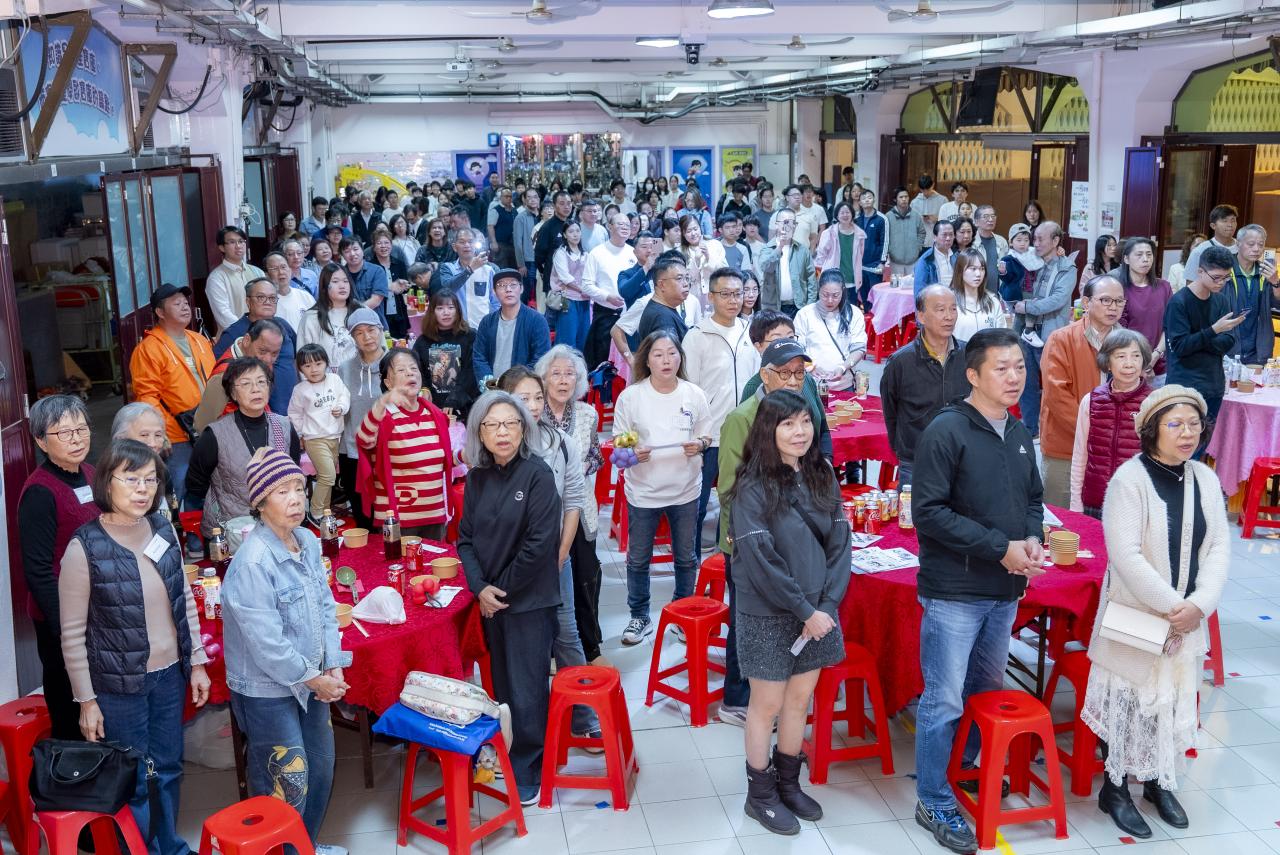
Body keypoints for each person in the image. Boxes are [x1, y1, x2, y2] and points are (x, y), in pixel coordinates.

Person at [910, 327, 1045, 855]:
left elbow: (1032, 497)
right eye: (1001, 368)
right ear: (973, 375)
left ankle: (961, 768)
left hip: (1004, 587)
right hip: (955, 590)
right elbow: (929, 513)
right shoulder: (947, 430)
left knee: (983, 691)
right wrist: (998, 547)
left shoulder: (1017, 429)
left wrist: (1030, 538)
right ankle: (932, 798)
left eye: (1019, 367)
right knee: (943, 699)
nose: (1014, 378)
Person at [1083, 386, 1229, 840]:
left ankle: (1157, 781)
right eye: (1175, 424)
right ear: (1151, 430)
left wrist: (1199, 605)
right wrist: (1173, 607)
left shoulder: (1204, 478)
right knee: (1127, 698)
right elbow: (1125, 555)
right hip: (1135, 611)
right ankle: (1114, 789)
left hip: (1186, 616)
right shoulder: (1129, 480)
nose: (1187, 434)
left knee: (1170, 696)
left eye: (1194, 425)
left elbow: (1219, 547)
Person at [59, 439, 209, 855]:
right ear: (107, 482)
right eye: (131, 479)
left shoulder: (162, 529)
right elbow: (71, 634)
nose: (143, 489)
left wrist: (197, 661)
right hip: (117, 686)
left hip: (169, 676)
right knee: (136, 778)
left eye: (150, 480)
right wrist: (86, 701)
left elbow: (184, 598)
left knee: (169, 767)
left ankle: (170, 846)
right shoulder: (84, 547)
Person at [729, 389, 849, 836]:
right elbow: (761, 560)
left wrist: (826, 606)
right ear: (769, 429)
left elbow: (840, 543)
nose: (800, 432)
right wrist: (805, 609)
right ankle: (759, 795)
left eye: (805, 422)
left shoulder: (822, 473)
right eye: (788, 424)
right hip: (769, 612)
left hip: (817, 612)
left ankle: (788, 783)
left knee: (800, 701)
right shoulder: (752, 485)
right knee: (766, 705)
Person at [221, 449, 351, 855]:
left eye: (299, 487)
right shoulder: (253, 562)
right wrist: (315, 679)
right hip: (267, 690)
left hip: (311, 677)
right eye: (282, 491)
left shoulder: (308, 541)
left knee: (321, 765)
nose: (296, 498)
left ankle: (304, 847)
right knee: (286, 781)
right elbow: (267, 644)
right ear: (260, 503)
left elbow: (326, 606)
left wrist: (333, 663)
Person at [458, 391, 562, 805]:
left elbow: (539, 546)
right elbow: (465, 540)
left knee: (527, 688)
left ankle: (530, 766)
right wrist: (479, 587)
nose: (502, 432)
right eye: (492, 425)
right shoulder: (477, 478)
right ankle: (506, 751)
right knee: (500, 685)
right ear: (480, 433)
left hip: (528, 600)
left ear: (523, 428)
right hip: (491, 600)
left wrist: (496, 591)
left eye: (510, 423)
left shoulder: (538, 475)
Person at [718, 336, 824, 729]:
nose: (795, 380)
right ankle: (736, 697)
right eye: (785, 373)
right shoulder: (742, 417)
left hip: (790, 537)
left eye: (800, 373)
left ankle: (778, 695)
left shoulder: (803, 408)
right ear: (765, 375)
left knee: (784, 617)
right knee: (748, 620)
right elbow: (728, 487)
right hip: (748, 540)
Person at [497, 368, 602, 745]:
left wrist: (560, 553)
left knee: (567, 633)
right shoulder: (498, 444)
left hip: (554, 559)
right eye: (523, 398)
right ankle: (526, 722)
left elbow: (573, 500)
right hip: (509, 563)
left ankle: (582, 713)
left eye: (538, 397)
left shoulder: (561, 443)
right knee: (523, 641)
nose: (534, 405)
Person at [612, 330, 712, 646]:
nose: (666, 360)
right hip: (643, 492)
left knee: (686, 558)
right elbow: (618, 447)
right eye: (658, 354)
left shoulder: (694, 394)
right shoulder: (632, 397)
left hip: (686, 490)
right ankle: (639, 616)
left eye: (671, 353)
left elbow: (707, 435)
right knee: (638, 559)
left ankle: (682, 613)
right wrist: (633, 453)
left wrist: (700, 444)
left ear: (680, 357)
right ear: (647, 360)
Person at [18, 396, 101, 739]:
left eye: (81, 429)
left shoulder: (91, 474)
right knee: (70, 702)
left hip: (97, 608)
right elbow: (38, 570)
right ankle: (74, 766)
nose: (76, 439)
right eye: (64, 433)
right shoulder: (39, 492)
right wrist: (67, 627)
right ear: (41, 441)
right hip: (62, 617)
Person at [682, 267, 761, 552]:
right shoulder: (697, 336)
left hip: (745, 434)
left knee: (738, 503)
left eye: (738, 293)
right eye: (725, 294)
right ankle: (691, 563)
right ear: (711, 296)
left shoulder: (751, 332)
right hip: (709, 436)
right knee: (698, 504)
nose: (733, 300)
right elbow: (688, 390)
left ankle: (727, 559)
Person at [536, 345, 606, 664]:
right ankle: (553, 650)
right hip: (543, 512)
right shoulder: (533, 414)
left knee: (585, 577)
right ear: (544, 379)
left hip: (581, 507)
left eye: (570, 374)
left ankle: (590, 648)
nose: (563, 380)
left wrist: (577, 469)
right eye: (556, 374)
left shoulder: (588, 414)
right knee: (549, 579)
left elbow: (596, 456)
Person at [186, 356, 300, 538]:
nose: (256, 389)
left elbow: (294, 474)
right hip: (233, 528)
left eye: (261, 382)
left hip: (279, 524)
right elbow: (196, 485)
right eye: (246, 384)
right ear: (232, 393)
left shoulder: (284, 427)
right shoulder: (215, 434)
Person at [1039, 274, 1126, 507]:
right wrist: (1097, 432)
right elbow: (1057, 396)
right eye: (1106, 300)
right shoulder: (1062, 339)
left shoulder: (1127, 342)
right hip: (1066, 446)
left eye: (1119, 301)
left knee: (1104, 516)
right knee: (1062, 516)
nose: (1113, 307)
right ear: (1086, 303)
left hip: (1112, 450)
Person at [129, 282, 216, 501]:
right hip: (176, 434)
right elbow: (147, 396)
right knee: (182, 489)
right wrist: (159, 433)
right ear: (160, 312)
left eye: (185, 302)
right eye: (176, 304)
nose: (185, 307)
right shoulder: (148, 348)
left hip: (209, 428)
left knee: (214, 487)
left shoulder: (199, 340)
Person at [357, 347, 453, 539]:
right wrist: (382, 402)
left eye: (414, 368)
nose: (410, 373)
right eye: (401, 370)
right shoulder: (383, 417)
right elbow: (363, 440)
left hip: (434, 515)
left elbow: (442, 461)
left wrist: (463, 456)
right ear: (388, 382)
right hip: (398, 520)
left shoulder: (435, 415)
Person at [880, 286, 970, 488]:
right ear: (921, 316)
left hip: (962, 458)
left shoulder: (968, 355)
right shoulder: (901, 362)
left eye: (953, 309)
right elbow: (890, 412)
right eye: (940, 309)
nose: (949, 316)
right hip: (916, 461)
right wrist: (904, 449)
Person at [1070, 329, 1154, 517]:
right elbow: (1080, 455)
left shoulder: (1154, 403)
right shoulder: (1091, 401)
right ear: (1107, 363)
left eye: (1136, 356)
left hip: (1136, 507)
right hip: (1094, 503)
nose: (1129, 363)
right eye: (1121, 356)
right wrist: (1076, 504)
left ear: (1143, 361)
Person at [1164, 245, 1245, 425]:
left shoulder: (1221, 300)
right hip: (1184, 387)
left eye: (1226, 277)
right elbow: (1180, 347)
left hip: (1214, 385)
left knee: (1205, 439)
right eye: (1216, 277)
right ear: (1200, 272)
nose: (1221, 282)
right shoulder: (1179, 302)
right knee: (1182, 439)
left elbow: (1229, 340)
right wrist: (1213, 330)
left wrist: (1200, 340)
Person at [1013, 221, 1078, 439]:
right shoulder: (1030, 261)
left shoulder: (1067, 268)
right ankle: (1030, 429)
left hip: (1050, 333)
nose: (1036, 243)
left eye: (1041, 239)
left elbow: (1058, 300)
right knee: (1026, 383)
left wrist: (1028, 307)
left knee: (1053, 385)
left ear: (1056, 241)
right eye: (1035, 239)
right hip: (1025, 331)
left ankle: (1056, 430)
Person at [213, 278, 298, 418]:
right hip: (256, 416)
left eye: (272, 298)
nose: (267, 302)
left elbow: (296, 358)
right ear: (248, 302)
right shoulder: (232, 334)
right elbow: (218, 376)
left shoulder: (283, 326)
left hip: (294, 411)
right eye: (261, 297)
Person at [336, 308, 387, 529]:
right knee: (362, 516)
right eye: (359, 333)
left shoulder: (395, 363)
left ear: (381, 330)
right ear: (352, 338)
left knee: (387, 516)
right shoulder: (345, 369)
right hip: (352, 451)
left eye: (371, 329)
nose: (367, 337)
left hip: (387, 451)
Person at [288, 344, 350, 525]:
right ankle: (315, 512)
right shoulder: (300, 389)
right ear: (300, 369)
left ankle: (325, 514)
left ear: (326, 363)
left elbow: (345, 396)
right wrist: (300, 434)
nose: (313, 369)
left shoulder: (334, 380)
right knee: (328, 476)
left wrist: (342, 408)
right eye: (307, 366)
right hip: (314, 439)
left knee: (327, 478)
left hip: (336, 437)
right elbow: (294, 414)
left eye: (318, 363)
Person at [196, 318, 286, 433]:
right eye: (262, 351)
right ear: (247, 340)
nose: (268, 360)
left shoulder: (260, 362)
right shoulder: (222, 375)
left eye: (275, 353)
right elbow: (203, 425)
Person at [473, 269, 551, 388]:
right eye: (501, 285)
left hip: (524, 389)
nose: (508, 289)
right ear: (494, 291)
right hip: (493, 389)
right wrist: (489, 384)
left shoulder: (537, 321)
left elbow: (541, 358)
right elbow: (479, 357)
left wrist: (514, 383)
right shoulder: (487, 322)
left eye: (513, 284)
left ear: (521, 288)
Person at [792, 269, 867, 391]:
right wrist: (810, 367)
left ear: (843, 291)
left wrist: (843, 367)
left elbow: (859, 348)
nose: (830, 300)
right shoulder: (805, 314)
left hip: (844, 383)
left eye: (835, 295)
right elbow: (796, 348)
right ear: (819, 290)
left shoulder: (853, 313)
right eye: (825, 295)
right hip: (812, 384)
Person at [412, 289, 479, 417]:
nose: (446, 312)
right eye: (440, 308)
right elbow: (417, 369)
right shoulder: (423, 341)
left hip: (465, 406)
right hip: (433, 408)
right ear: (432, 312)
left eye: (451, 307)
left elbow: (471, 372)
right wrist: (424, 389)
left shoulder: (470, 336)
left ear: (458, 310)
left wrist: (455, 399)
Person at [1116, 237, 1173, 379]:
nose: (1145, 259)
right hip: (1127, 365)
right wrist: (1140, 363)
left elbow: (1170, 325)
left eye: (1149, 254)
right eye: (1139, 254)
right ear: (1126, 259)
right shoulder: (1118, 288)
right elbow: (1118, 330)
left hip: (1160, 363)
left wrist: (1155, 355)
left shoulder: (1164, 287)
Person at [1226, 224, 1280, 365]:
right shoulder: (1224, 269)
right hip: (1227, 347)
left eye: (1261, 245)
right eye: (1251, 244)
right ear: (1238, 243)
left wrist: (1275, 282)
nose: (1256, 249)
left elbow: (1277, 304)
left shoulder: (1266, 272)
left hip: (1258, 350)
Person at [298, 263, 367, 369]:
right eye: (335, 281)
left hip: (361, 375)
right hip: (326, 377)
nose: (342, 286)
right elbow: (303, 358)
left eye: (345, 281)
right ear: (324, 287)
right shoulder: (311, 317)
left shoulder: (362, 311)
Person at [431, 228, 501, 325]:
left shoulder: (488, 270)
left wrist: (492, 322)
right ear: (454, 247)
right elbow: (448, 289)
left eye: (470, 242)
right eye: (462, 242)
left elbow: (496, 301)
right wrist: (470, 270)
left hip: (482, 325)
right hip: (457, 326)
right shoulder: (448, 268)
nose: (467, 245)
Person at [206, 226, 266, 334]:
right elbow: (223, 314)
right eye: (232, 242)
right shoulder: (216, 278)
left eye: (241, 241)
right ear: (222, 247)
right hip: (234, 338)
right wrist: (250, 332)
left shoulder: (258, 272)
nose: (238, 246)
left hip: (263, 333)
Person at [758, 208, 816, 316]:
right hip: (774, 308)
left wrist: (809, 306)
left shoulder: (803, 250)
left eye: (792, 222)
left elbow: (811, 279)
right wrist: (780, 246)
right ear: (777, 225)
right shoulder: (767, 248)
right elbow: (766, 268)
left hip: (798, 306)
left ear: (795, 226)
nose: (789, 226)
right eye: (785, 222)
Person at [550, 220, 591, 352]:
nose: (575, 234)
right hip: (566, 299)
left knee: (583, 336)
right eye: (571, 231)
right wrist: (583, 289)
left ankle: (579, 364)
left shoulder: (585, 254)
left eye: (578, 231)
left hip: (584, 300)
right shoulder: (560, 253)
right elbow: (565, 278)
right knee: (567, 336)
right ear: (564, 235)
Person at [636, 254, 697, 342]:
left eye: (687, 278)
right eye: (679, 278)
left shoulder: (662, 309)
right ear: (662, 284)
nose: (686, 284)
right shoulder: (663, 319)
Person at [949, 249, 1006, 343]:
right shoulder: (949, 302)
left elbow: (1002, 336)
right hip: (959, 352)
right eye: (973, 269)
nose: (978, 274)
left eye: (982, 269)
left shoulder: (992, 301)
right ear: (960, 270)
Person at [813, 201, 866, 299]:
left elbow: (861, 255)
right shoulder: (829, 233)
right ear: (837, 215)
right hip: (832, 279)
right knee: (833, 306)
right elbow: (821, 254)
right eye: (842, 212)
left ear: (852, 214)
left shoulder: (860, 234)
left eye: (847, 212)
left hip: (852, 278)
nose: (845, 215)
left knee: (851, 306)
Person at [680, 212, 728, 312]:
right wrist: (696, 260)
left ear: (700, 228)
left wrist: (708, 257)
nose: (693, 233)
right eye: (688, 231)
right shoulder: (680, 251)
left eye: (695, 229)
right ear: (683, 234)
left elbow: (725, 271)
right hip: (692, 297)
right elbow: (686, 279)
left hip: (715, 294)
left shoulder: (715, 244)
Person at [367, 228, 411, 338]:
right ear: (374, 247)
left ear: (391, 245)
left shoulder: (399, 264)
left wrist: (404, 285)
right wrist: (390, 287)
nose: (383, 246)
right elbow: (369, 290)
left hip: (399, 313)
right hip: (380, 314)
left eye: (386, 243)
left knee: (401, 342)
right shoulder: (370, 267)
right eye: (379, 243)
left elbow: (406, 290)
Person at [340, 237, 390, 328]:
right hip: (349, 326)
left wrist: (354, 313)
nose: (352, 254)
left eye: (355, 249)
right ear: (342, 255)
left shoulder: (377, 271)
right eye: (347, 251)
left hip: (375, 325)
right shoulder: (340, 274)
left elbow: (376, 300)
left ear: (362, 251)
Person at [1182, 204, 1238, 284]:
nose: (1230, 225)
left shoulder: (1243, 247)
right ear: (1213, 226)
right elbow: (1190, 283)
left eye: (1233, 220)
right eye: (1224, 221)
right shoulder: (1201, 250)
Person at [265, 250, 316, 331]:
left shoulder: (305, 296)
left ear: (290, 270)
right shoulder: (265, 302)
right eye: (275, 269)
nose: (281, 272)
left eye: (283, 267)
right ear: (267, 275)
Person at [854, 190, 887, 309]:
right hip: (860, 266)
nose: (867, 200)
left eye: (869, 197)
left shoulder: (881, 219)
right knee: (864, 299)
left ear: (874, 200)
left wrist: (882, 262)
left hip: (875, 266)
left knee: (876, 299)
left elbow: (885, 241)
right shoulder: (857, 220)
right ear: (860, 202)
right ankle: (868, 319)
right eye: (863, 198)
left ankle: (877, 320)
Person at [885, 186, 927, 276]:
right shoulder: (888, 216)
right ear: (895, 199)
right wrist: (889, 250)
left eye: (906, 197)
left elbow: (922, 232)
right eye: (901, 197)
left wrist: (918, 248)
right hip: (895, 260)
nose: (904, 199)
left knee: (911, 284)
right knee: (896, 284)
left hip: (913, 260)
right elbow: (884, 236)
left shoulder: (916, 216)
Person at [913, 220, 956, 295]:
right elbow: (919, 293)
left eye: (951, 235)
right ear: (935, 237)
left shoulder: (957, 256)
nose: (948, 238)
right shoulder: (925, 260)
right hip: (936, 300)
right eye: (944, 235)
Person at [972, 205, 1007, 294]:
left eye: (993, 216)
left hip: (998, 293)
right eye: (986, 216)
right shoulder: (971, 242)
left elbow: (1006, 268)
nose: (991, 219)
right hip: (976, 293)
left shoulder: (1001, 241)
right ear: (976, 221)